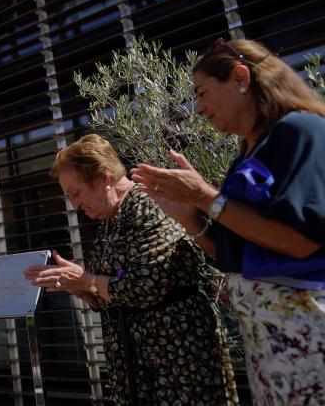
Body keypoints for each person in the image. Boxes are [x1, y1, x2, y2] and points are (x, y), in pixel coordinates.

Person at [131, 38, 325, 405]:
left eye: (202, 93)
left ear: (240, 76)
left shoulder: (300, 131)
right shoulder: (248, 151)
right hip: (267, 341)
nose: (199, 108)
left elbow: (302, 240)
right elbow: (229, 253)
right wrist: (190, 216)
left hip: (308, 332)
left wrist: (205, 196)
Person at [24, 134, 238, 405]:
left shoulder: (147, 204)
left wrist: (87, 280)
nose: (74, 204)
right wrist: (80, 287)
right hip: (138, 366)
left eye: (75, 193)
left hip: (176, 360)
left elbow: (145, 285)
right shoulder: (108, 220)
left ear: (103, 178)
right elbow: (110, 293)